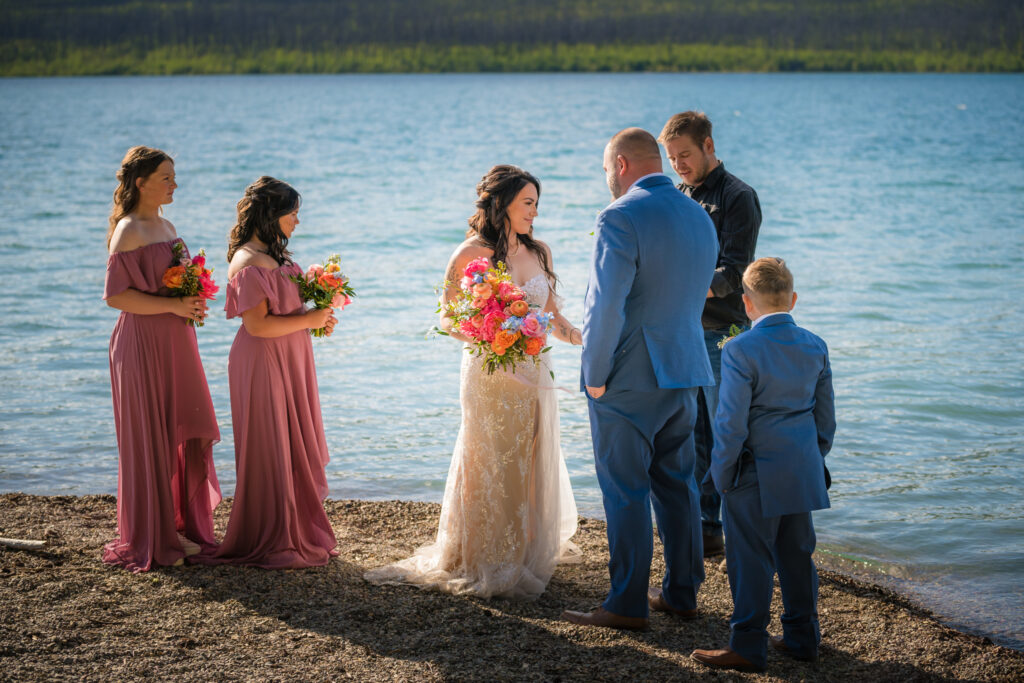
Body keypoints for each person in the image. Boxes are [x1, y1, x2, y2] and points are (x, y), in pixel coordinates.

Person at [365, 165, 579, 599]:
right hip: (488, 371)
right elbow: (446, 317)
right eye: (528, 203)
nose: (535, 212)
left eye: (537, 203)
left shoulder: (540, 253)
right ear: (501, 204)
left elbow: (551, 314)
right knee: (490, 459)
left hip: (533, 372)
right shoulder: (469, 254)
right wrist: (486, 334)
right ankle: (485, 554)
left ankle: (523, 549)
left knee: (529, 455)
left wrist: (578, 336)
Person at [561, 129, 717, 630]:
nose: (608, 179)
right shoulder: (699, 215)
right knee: (678, 483)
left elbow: (604, 304)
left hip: (629, 373)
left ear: (622, 164)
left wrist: (595, 374)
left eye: (608, 169)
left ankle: (626, 602)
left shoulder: (619, 215)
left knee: (624, 488)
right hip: (687, 369)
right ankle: (682, 592)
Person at [691, 257, 835, 673]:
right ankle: (802, 637)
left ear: (746, 303)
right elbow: (825, 421)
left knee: (749, 557)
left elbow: (730, 423)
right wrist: (811, 456)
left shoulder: (740, 348)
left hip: (754, 469)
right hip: (802, 465)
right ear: (792, 299)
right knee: (796, 552)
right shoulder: (815, 345)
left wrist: (722, 473)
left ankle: (748, 646)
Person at [193, 177, 339, 569]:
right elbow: (256, 326)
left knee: (293, 441)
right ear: (271, 214)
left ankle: (298, 530)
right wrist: (308, 319)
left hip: (291, 356)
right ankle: (274, 536)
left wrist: (317, 317)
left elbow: (289, 311)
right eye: (292, 214)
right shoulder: (246, 261)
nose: (296, 222)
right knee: (272, 444)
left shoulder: (277, 254)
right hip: (262, 360)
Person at [102, 146, 221, 572]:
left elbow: (176, 283)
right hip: (142, 344)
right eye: (167, 177)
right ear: (141, 182)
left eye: (174, 176)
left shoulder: (167, 224)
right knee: (151, 435)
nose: (175, 184)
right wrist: (174, 306)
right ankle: (153, 535)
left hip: (176, 340)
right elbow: (117, 295)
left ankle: (177, 526)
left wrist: (193, 300)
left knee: (182, 425)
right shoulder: (129, 230)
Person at [658, 111, 762, 557]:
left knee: (728, 432)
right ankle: (706, 527)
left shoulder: (739, 196)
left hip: (726, 333)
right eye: (671, 157)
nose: (678, 164)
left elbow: (735, 273)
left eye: (685, 155)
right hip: (684, 331)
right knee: (692, 433)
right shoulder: (679, 195)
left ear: (709, 146)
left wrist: (681, 283)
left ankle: (744, 527)